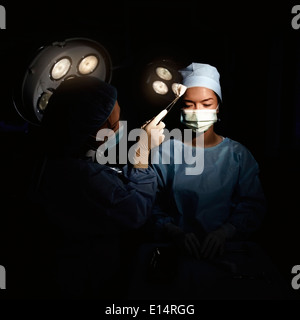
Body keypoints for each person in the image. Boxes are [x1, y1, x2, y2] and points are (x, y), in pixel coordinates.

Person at [31, 76, 166, 299]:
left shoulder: (60, 159)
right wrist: (142, 152)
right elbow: (134, 210)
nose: (121, 127)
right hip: (82, 280)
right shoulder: (78, 177)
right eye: (114, 124)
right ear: (94, 131)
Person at [150, 62, 267, 262]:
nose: (198, 111)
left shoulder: (237, 155)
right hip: (175, 253)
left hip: (227, 252)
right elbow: (148, 205)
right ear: (180, 108)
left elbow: (253, 205)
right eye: (189, 104)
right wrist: (173, 231)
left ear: (218, 106)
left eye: (206, 104)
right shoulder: (165, 152)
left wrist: (226, 232)